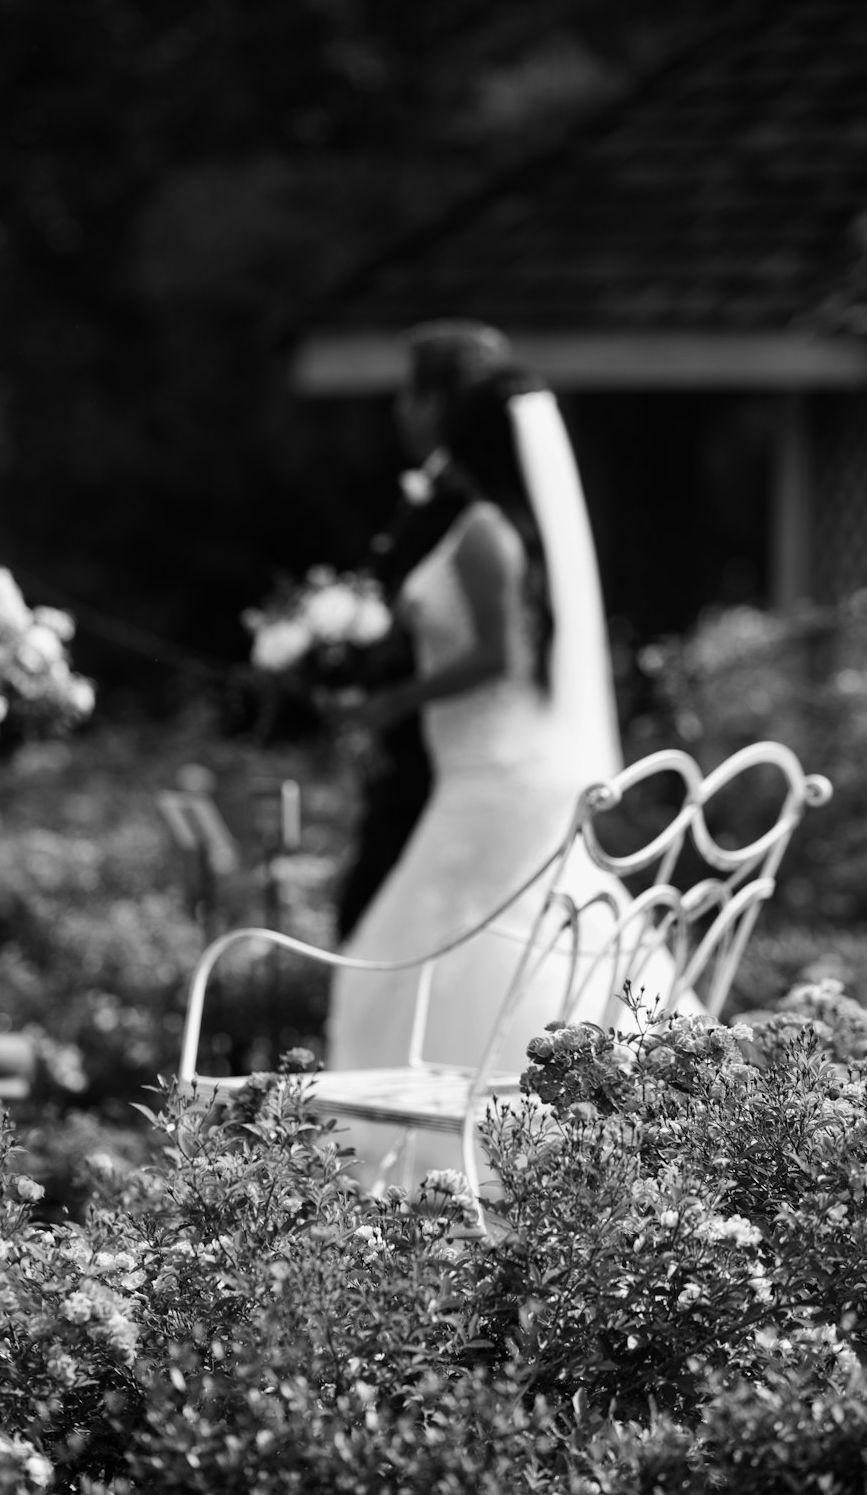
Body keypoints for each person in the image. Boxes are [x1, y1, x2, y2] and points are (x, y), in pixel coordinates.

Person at [326, 359, 685, 1188]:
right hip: (475, 767)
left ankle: (483, 1149)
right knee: (466, 936)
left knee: (451, 940)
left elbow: (501, 655)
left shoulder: (484, 529)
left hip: (499, 768)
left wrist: (396, 700)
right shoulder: (474, 523)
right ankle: (497, 1140)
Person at [334, 320, 514, 940]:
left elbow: (498, 650)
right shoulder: (446, 497)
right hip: (420, 754)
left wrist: (392, 698)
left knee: (378, 927)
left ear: (439, 404)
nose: (400, 409)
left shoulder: (476, 516)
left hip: (446, 763)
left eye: (410, 393)